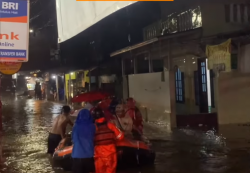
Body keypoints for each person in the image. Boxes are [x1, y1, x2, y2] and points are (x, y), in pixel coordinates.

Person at [92, 107, 124, 173]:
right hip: (111, 153)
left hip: (99, 155)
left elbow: (89, 140)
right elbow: (121, 136)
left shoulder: (93, 127)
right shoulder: (110, 125)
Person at [71, 109, 96, 173]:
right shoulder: (93, 126)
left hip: (77, 155)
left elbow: (73, 139)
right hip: (89, 156)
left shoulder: (75, 126)